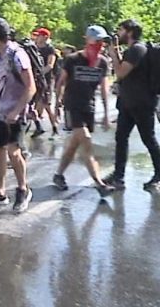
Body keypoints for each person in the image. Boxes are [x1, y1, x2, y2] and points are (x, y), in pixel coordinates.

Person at [52, 26, 115, 197]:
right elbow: (60, 83)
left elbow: (104, 88)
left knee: (74, 145)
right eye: (97, 40)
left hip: (89, 108)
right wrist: (56, 105)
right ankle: (100, 183)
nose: (100, 45)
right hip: (72, 106)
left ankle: (58, 175)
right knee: (86, 141)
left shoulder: (102, 62)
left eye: (102, 41)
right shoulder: (73, 59)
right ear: (87, 40)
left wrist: (107, 115)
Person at [0, 18, 35, 213]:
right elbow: (4, 80)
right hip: (0, 109)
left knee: (13, 151)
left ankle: (23, 189)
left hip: (16, 112)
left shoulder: (17, 55)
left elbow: (31, 87)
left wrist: (17, 110)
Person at [106, 19, 160, 190]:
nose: (118, 33)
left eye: (120, 30)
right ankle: (118, 176)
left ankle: (159, 173)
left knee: (148, 139)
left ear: (129, 32)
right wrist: (116, 53)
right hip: (129, 103)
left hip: (141, 103)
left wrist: (113, 56)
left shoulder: (137, 49)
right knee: (121, 138)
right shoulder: (133, 50)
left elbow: (121, 72)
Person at [30, 28, 59, 138]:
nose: (37, 37)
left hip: (46, 80)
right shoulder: (34, 48)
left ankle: (54, 127)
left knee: (46, 105)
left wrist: (40, 73)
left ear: (45, 37)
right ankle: (38, 126)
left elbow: (50, 65)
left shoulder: (49, 49)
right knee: (33, 104)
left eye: (39, 35)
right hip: (35, 80)